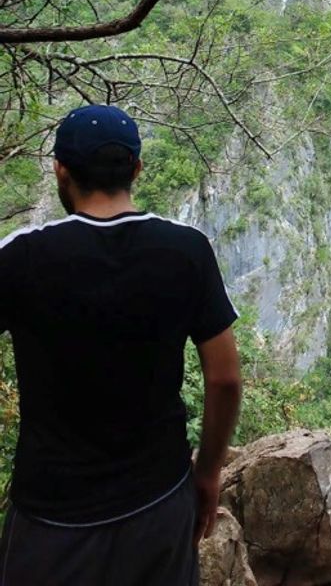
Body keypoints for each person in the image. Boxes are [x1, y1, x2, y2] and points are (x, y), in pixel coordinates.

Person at [0, 104, 242, 586]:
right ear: (136, 168)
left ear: (60, 170)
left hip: (52, 518)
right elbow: (225, 378)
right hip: (159, 504)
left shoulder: (22, 256)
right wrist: (209, 470)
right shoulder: (185, 249)